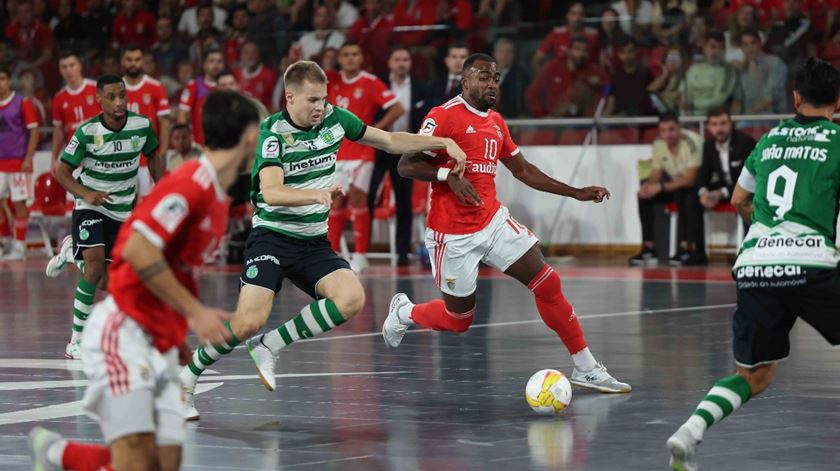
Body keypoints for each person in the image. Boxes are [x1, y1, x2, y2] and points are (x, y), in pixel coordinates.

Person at [178, 60, 468, 420]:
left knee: (351, 299)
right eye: (313, 100)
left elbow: (391, 141)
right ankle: (186, 380)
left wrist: (444, 141)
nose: (320, 107)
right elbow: (271, 192)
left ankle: (272, 344)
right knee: (248, 322)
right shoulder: (273, 134)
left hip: (313, 242)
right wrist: (314, 194)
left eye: (324, 99)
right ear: (290, 97)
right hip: (272, 238)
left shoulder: (335, 119)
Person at [29, 90, 259, 471]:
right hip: (125, 334)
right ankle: (56, 453)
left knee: (162, 462)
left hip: (158, 336)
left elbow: (180, 269)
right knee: (136, 462)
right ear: (250, 138)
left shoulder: (217, 194)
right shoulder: (191, 185)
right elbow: (138, 252)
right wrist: (195, 312)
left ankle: (56, 454)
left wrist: (175, 330)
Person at [382, 53, 631, 394]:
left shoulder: (496, 122)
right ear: (465, 80)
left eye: (496, 79)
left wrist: (575, 192)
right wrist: (446, 176)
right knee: (459, 321)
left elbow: (524, 171)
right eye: (484, 77)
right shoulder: (442, 117)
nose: (492, 85)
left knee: (547, 282)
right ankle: (405, 312)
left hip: (493, 222)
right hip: (451, 234)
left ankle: (586, 367)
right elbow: (406, 166)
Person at [667, 57, 840, 471]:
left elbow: (740, 200)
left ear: (795, 98)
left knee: (756, 376)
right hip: (810, 259)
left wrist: (769, 232)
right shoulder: (836, 138)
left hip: (756, 262)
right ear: (837, 100)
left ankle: (688, 432)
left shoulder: (769, 138)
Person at [50, 75, 160, 360]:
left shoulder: (142, 126)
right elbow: (61, 172)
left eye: (122, 95)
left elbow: (154, 157)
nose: (119, 102)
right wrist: (85, 193)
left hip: (123, 211)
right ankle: (75, 341)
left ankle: (70, 253)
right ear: (98, 99)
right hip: (91, 208)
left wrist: (164, 192)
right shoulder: (86, 132)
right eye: (111, 97)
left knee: (104, 281)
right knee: (95, 267)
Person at [326, 42, 405, 272]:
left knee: (358, 199)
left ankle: (360, 256)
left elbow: (397, 108)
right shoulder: (333, 81)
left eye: (355, 54)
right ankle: (333, 254)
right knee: (336, 201)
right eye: (346, 54)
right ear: (339, 58)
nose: (350, 58)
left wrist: (371, 132)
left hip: (362, 153)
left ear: (361, 58)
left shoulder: (369, 82)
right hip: (336, 151)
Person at [369, 45, 427, 265]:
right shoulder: (380, 84)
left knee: (404, 202)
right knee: (368, 194)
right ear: (390, 63)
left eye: (405, 59)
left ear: (410, 63)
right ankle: (361, 250)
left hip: (404, 149)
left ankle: (403, 252)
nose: (401, 63)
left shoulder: (421, 89)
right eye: (397, 59)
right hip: (379, 147)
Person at [631, 112, 704, 266]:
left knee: (683, 194)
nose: (668, 134)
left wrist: (660, 186)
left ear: (679, 127)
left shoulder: (692, 142)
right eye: (663, 130)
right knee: (643, 196)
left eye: (671, 129)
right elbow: (656, 173)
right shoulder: (658, 144)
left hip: (697, 185)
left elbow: (690, 180)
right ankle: (649, 248)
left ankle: (686, 247)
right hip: (674, 184)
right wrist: (648, 187)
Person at [0, 67, 40, 260]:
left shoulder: (21, 102)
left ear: (9, 81)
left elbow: (34, 131)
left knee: (19, 204)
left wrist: (28, 158)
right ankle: (4, 241)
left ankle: (19, 247)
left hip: (18, 162)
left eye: (2, 79)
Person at [122, 44, 171, 196]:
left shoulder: (155, 87)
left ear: (143, 62)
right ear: (123, 61)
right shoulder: (115, 88)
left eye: (137, 59)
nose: (133, 63)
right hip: (120, 160)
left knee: (149, 201)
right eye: (129, 59)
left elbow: (164, 123)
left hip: (148, 159)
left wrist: (162, 153)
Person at [696, 107, 756, 212]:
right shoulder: (708, 145)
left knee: (747, 199)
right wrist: (703, 192)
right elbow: (703, 174)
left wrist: (722, 192)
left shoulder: (745, 143)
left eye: (723, 123)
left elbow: (751, 177)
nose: (719, 129)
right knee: (691, 198)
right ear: (709, 127)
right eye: (714, 124)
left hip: (745, 190)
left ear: (730, 123)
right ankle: (696, 229)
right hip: (724, 188)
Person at [50, 51, 100, 167]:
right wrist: (54, 158)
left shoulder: (97, 89)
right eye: (64, 67)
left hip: (101, 155)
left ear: (80, 66)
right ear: (60, 70)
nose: (68, 70)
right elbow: (59, 130)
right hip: (75, 159)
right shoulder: (59, 98)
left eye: (72, 65)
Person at [682, 31, 738, 116]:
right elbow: (685, 94)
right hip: (688, 117)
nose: (716, 52)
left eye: (720, 48)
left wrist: (694, 106)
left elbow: (719, 100)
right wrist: (687, 111)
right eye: (712, 47)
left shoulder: (729, 71)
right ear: (705, 48)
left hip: (713, 118)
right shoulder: (693, 69)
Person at [177, 48, 223, 146]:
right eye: (211, 61)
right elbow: (182, 115)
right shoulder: (194, 85)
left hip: (222, 144)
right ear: (204, 64)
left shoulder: (226, 86)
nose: (216, 65)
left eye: (219, 61)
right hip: (198, 144)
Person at [423, 43, 470, 116]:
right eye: (454, 57)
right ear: (447, 61)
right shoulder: (434, 85)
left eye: (462, 57)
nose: (458, 60)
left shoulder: (473, 86)